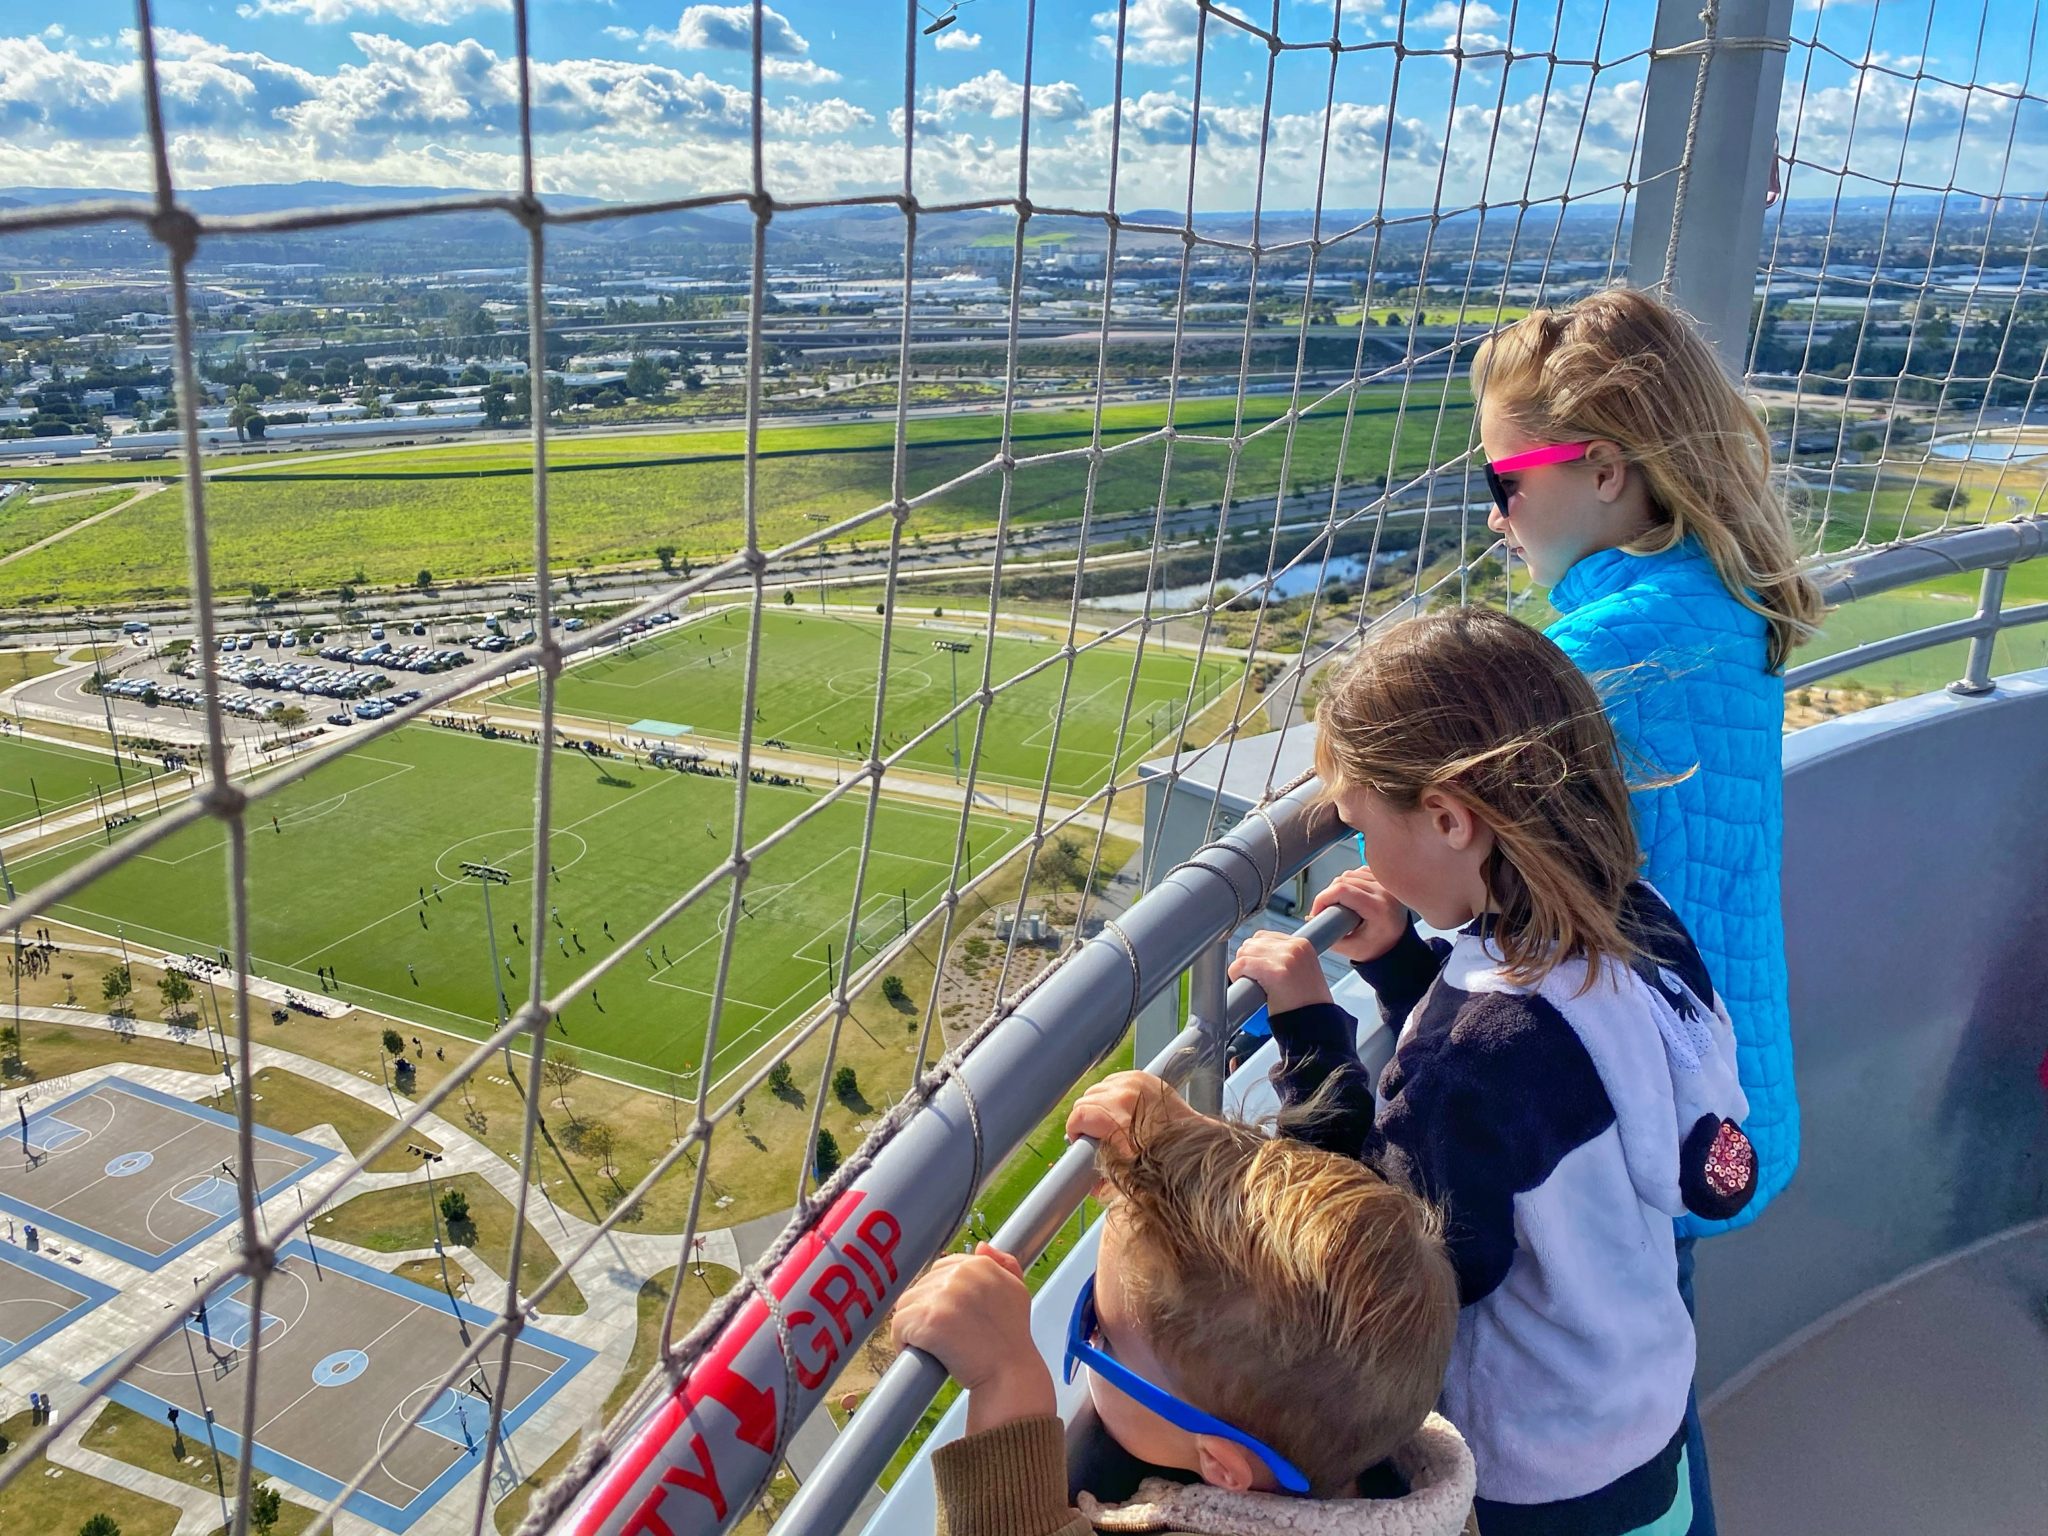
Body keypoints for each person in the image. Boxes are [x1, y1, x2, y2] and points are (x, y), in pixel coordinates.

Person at [1235, 609, 1756, 1536]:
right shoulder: (1636, 921)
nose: (1362, 856)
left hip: (1536, 1474)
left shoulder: (1470, 1061)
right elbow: (1523, 1093)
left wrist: (1311, 1033)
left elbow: (1386, 1268)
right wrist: (1402, 968)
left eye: (1361, 826)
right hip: (1642, 1416)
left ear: (1447, 818)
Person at [1471, 289, 1822, 1532]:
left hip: (1631, 1101)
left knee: (1622, 1427)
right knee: (1656, 1382)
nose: (1495, 513)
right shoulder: (1720, 604)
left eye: (1503, 480)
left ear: (1604, 470)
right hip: (1707, 1078)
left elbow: (1439, 827)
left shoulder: (1602, 657)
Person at [893, 1072, 1474, 1536]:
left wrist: (1006, 1380)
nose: (1089, 1334)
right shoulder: (1384, 1447)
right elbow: (1324, 1261)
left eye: (1097, 1331)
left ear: (1221, 1465)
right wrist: (1196, 1157)